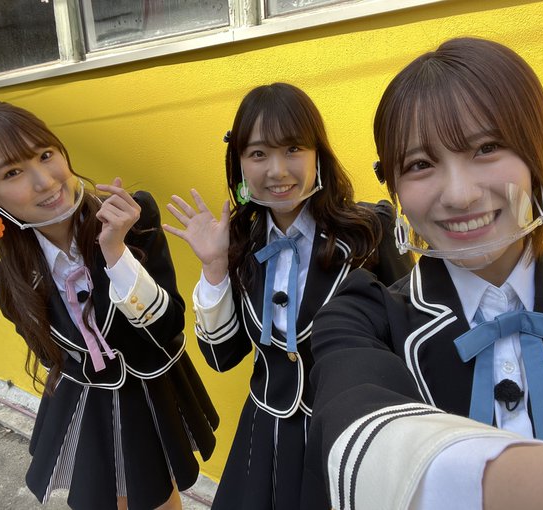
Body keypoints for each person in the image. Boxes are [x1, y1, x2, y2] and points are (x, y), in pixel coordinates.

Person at [305, 37, 543, 510]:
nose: (460, 195)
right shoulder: (362, 318)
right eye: (421, 164)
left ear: (537, 157)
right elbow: (360, 439)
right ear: (395, 186)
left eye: (487, 148)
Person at [0, 101, 219, 510]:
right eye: (12, 173)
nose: (45, 182)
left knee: (158, 498)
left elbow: (168, 327)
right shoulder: (6, 279)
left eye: (45, 154)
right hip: (87, 404)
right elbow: (52, 356)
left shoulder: (133, 219)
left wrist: (117, 255)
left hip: (149, 393)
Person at [162, 83, 413, 509]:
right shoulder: (237, 242)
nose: (277, 170)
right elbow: (222, 357)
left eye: (293, 148)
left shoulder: (370, 231)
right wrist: (214, 266)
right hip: (266, 437)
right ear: (240, 164)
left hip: (345, 435)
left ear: (318, 155)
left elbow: (407, 343)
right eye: (259, 154)